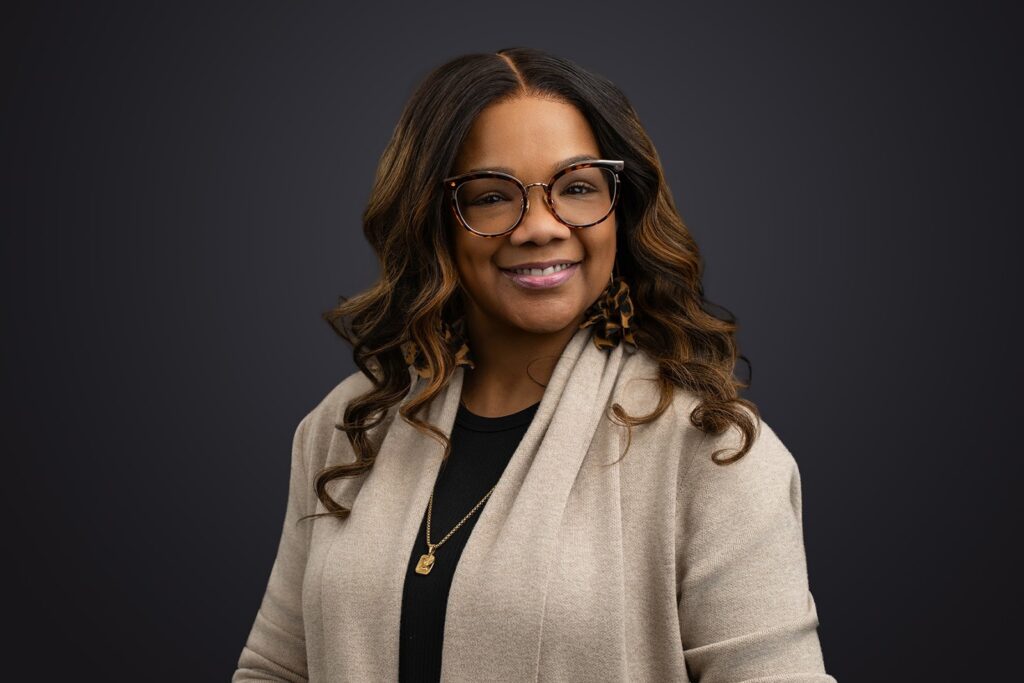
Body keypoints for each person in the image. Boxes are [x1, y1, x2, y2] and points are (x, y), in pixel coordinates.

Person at [232, 47, 836, 682]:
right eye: (493, 197)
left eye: (577, 188)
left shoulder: (711, 449)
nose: (541, 227)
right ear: (434, 221)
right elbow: (275, 670)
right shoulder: (349, 424)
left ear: (621, 208)